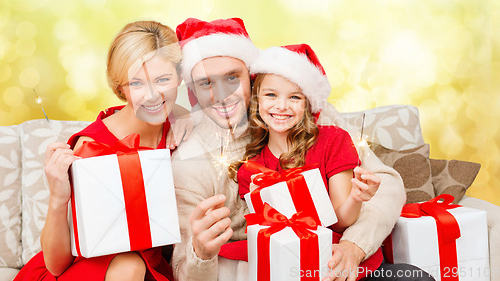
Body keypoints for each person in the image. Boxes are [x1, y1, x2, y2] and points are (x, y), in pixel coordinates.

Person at [170, 17, 434, 281]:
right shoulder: (189, 159)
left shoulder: (304, 114)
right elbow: (183, 270)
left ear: (252, 77)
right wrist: (201, 253)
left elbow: (386, 184)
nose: (222, 95)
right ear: (192, 89)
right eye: (206, 83)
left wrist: (354, 246)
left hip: (333, 258)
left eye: (232, 77)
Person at [15, 21, 191, 281]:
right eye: (136, 84)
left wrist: (182, 113)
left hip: (149, 269)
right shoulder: (93, 148)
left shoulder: (182, 125)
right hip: (86, 271)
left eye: (163, 80)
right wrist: (57, 198)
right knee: (129, 263)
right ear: (121, 87)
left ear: (180, 76)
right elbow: (56, 265)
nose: (153, 95)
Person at [235, 44, 380, 234]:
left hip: (331, 249)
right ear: (257, 100)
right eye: (271, 95)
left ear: (307, 104)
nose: (281, 106)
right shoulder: (251, 170)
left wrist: (356, 198)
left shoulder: (334, 140)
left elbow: (341, 221)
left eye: (294, 97)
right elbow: (268, 234)